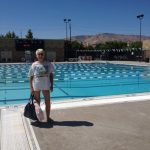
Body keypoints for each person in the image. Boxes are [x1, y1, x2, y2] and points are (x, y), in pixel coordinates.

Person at [28, 49, 54, 122]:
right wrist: (31, 88)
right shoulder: (34, 64)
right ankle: (38, 119)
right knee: (37, 103)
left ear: (44, 55)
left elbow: (51, 75)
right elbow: (30, 76)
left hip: (46, 85)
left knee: (47, 102)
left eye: (42, 54)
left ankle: (48, 118)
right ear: (36, 56)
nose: (40, 55)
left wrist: (52, 85)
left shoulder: (48, 64)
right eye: (39, 54)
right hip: (36, 85)